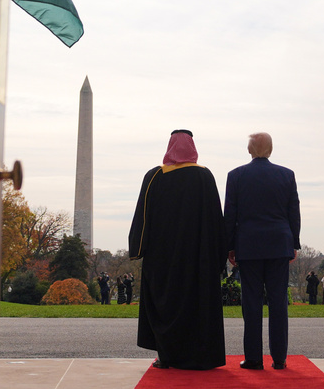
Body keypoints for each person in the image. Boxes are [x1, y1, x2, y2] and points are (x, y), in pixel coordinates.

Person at [128, 129, 227, 370]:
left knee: (165, 305)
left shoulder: (154, 176)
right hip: (198, 258)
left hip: (162, 258)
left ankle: (166, 355)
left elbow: (142, 215)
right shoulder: (204, 176)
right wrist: (220, 255)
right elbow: (216, 219)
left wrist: (137, 248)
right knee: (197, 304)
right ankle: (200, 357)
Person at [224, 132, 301, 370]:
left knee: (252, 303)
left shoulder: (236, 176)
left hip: (248, 246)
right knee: (279, 302)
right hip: (279, 244)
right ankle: (279, 358)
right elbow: (293, 212)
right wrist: (294, 243)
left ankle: (254, 358)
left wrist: (229, 246)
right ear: (271, 149)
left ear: (249, 150)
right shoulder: (286, 175)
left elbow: (230, 215)